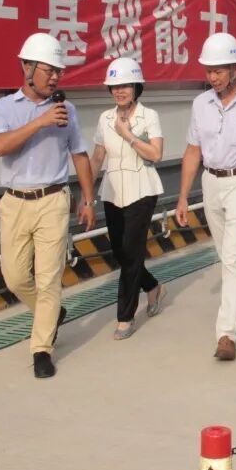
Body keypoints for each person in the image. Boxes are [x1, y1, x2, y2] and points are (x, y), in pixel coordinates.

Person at [0, 33, 95, 379]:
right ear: (27, 67)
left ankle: (42, 349)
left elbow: (80, 155)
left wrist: (88, 199)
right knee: (15, 277)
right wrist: (40, 122)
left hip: (53, 200)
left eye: (58, 72)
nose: (55, 77)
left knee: (49, 279)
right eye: (49, 70)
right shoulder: (4, 108)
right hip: (15, 202)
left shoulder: (68, 111)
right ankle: (51, 314)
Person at [175, 33, 236, 361]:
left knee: (233, 256)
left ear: (235, 68)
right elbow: (192, 150)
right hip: (211, 181)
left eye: (219, 70)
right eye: (209, 71)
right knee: (229, 254)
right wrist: (183, 197)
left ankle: (226, 334)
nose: (213, 77)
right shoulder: (200, 104)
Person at [90, 58, 165, 340]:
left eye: (125, 85)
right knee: (120, 252)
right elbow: (98, 156)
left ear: (136, 87)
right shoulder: (104, 118)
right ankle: (153, 286)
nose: (119, 91)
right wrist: (86, 192)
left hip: (141, 190)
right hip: (112, 191)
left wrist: (128, 135)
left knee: (132, 252)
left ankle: (125, 317)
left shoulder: (149, 116)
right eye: (114, 86)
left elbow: (155, 154)